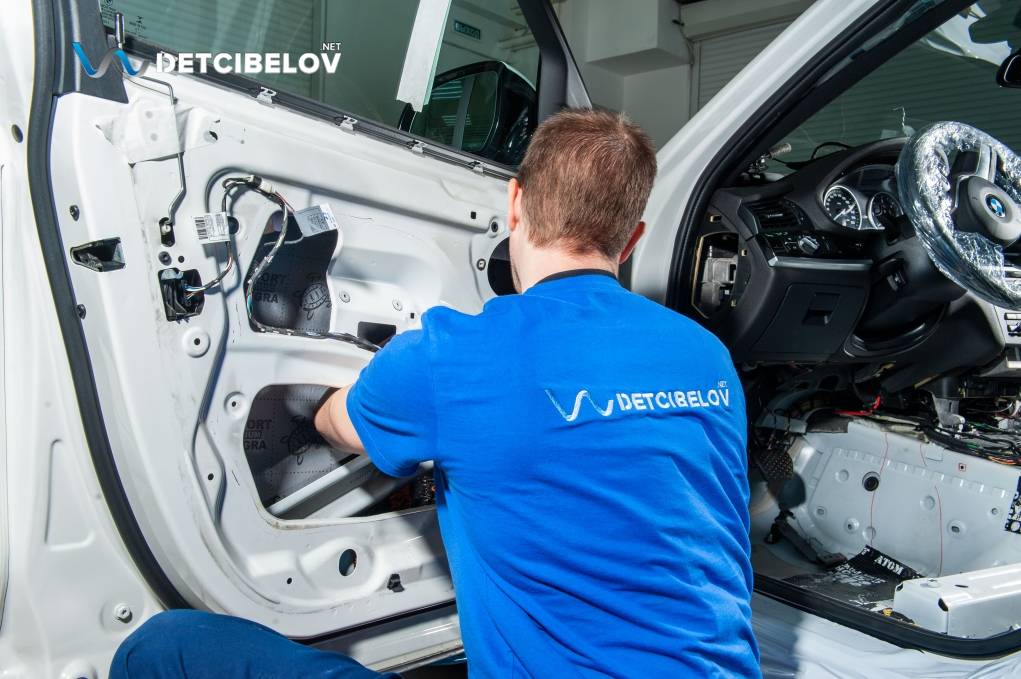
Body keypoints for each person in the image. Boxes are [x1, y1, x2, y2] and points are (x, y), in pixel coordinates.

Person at [111, 108, 759, 678]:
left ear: (514, 202)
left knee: (166, 646)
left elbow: (337, 424)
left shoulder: (456, 353)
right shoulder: (705, 355)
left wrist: (351, 394)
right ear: (632, 237)